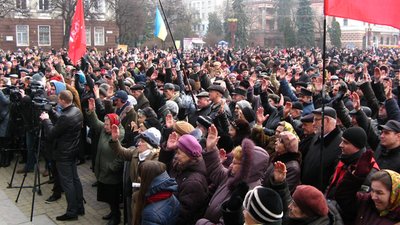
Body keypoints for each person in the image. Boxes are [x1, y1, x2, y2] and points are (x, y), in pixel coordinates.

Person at [39, 90, 84, 221]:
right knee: (75, 180)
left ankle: (71, 212)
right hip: (72, 151)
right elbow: (64, 123)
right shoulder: (76, 111)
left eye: (59, 99)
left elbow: (52, 133)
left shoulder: (66, 116)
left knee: (68, 183)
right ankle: (79, 207)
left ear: (63, 101)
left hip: (64, 153)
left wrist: (46, 120)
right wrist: (52, 112)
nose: (58, 101)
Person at [87, 98, 125, 225]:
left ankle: (116, 217)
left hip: (111, 173)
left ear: (114, 125)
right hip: (103, 171)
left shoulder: (119, 134)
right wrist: (92, 112)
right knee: (108, 197)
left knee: (113, 197)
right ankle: (112, 212)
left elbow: (121, 155)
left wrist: (112, 167)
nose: (105, 126)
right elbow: (96, 123)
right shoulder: (105, 129)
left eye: (107, 124)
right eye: (105, 123)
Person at [335, 150, 400, 224]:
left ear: (395, 194)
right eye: (372, 190)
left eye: (379, 193)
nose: (373, 197)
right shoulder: (367, 202)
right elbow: (343, 197)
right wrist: (356, 177)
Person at [268, 162, 343, 225]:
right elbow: (288, 201)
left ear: (307, 212)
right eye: (293, 202)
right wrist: (280, 183)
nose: (289, 206)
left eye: (295, 205)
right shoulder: (303, 216)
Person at [133, 160, 180, 225]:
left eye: (141, 176)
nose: (139, 179)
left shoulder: (151, 214)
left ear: (147, 179)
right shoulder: (169, 195)